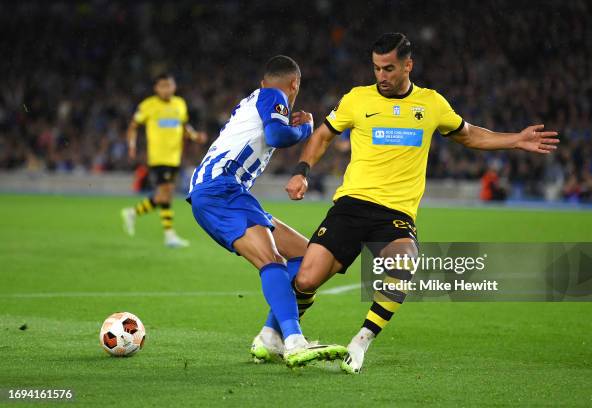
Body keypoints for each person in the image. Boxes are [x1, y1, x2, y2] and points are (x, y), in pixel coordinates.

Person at [285, 33, 559, 373]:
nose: (381, 76)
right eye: (376, 68)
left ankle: (361, 342)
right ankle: (276, 334)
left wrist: (515, 140)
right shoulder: (357, 99)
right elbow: (323, 135)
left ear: (407, 66)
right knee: (306, 280)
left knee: (404, 261)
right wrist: (301, 171)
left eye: (388, 68)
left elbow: (469, 134)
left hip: (396, 214)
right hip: (351, 204)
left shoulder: (431, 104)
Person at [187, 56, 346, 367]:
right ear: (294, 85)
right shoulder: (273, 95)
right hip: (221, 190)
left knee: (308, 255)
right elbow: (277, 136)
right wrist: (306, 130)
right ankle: (295, 342)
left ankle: (269, 338)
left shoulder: (256, 100)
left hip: (225, 192)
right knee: (272, 260)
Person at [121, 73, 207, 248]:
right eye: (162, 86)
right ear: (156, 88)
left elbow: (184, 127)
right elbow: (133, 126)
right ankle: (168, 235)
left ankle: (133, 213)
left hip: (174, 157)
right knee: (166, 191)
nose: (166, 89)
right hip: (158, 157)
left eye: (169, 85)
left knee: (164, 195)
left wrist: (195, 135)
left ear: (174, 87)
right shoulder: (148, 105)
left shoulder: (180, 104)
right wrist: (131, 145)